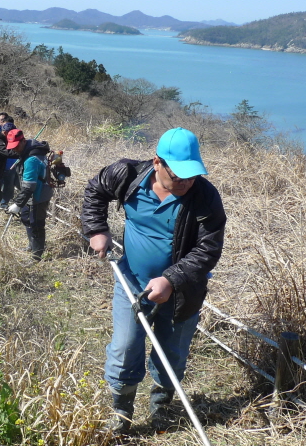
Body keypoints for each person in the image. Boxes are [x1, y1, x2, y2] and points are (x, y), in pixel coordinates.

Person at [80, 127, 226, 434]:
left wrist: (171, 279)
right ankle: (121, 412)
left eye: (192, 175)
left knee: (172, 353)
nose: (186, 182)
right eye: (178, 176)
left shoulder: (205, 196)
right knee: (124, 347)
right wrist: (96, 229)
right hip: (132, 282)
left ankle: (161, 405)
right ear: (157, 162)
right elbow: (95, 190)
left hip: (183, 292)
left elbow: (208, 249)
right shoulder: (127, 175)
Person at [6, 129, 53, 261]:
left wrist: (17, 204)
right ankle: (32, 246)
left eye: (16, 146)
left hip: (39, 195)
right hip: (29, 195)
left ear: (23, 141)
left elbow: (29, 186)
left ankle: (36, 256)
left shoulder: (32, 159)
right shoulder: (26, 152)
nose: (14, 149)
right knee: (26, 218)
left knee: (37, 224)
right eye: (12, 146)